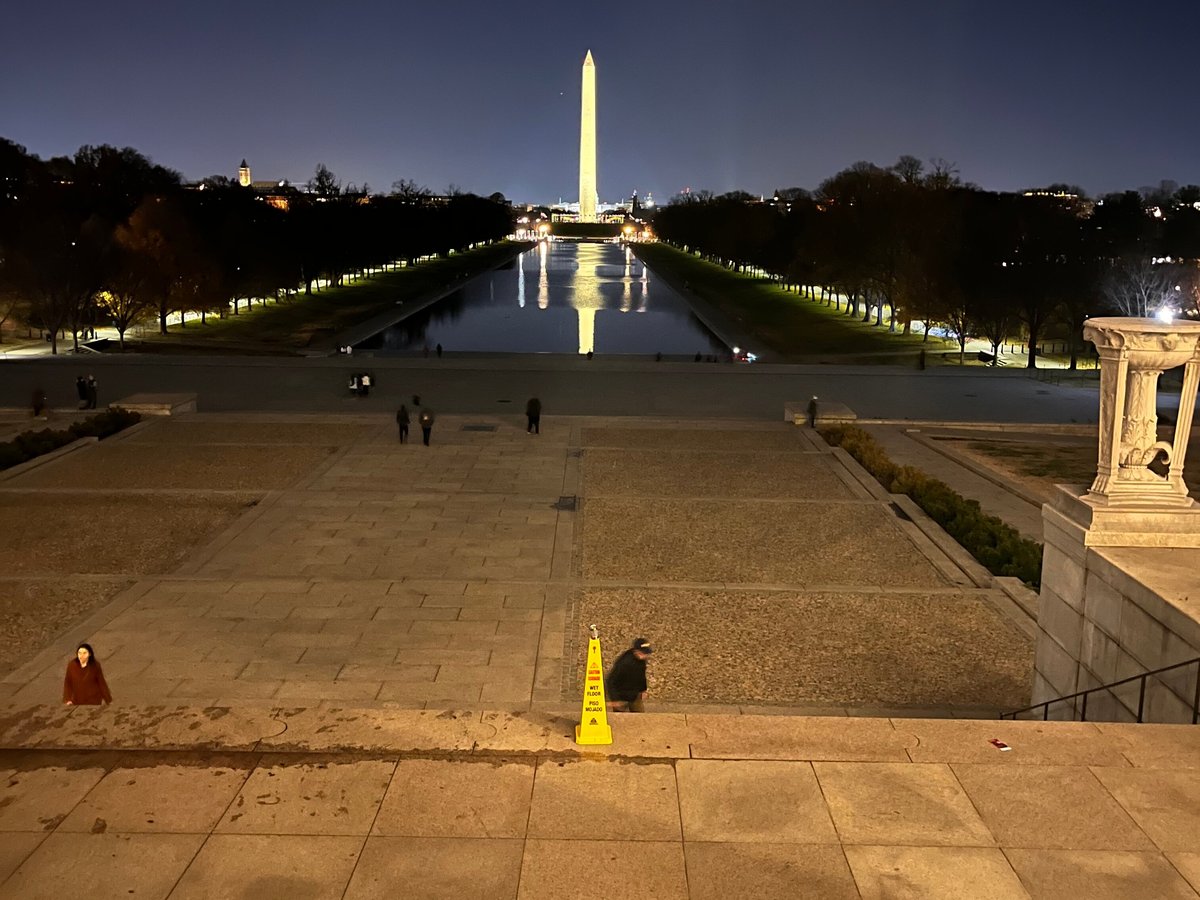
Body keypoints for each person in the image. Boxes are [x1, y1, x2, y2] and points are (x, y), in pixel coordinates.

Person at [606, 637, 652, 712]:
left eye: (646, 653)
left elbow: (641, 676)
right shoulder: (624, 663)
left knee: (640, 717)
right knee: (620, 719)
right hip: (621, 696)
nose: (645, 655)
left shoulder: (642, 660)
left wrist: (643, 690)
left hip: (634, 695)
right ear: (635, 651)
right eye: (642, 653)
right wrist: (615, 700)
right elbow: (611, 681)